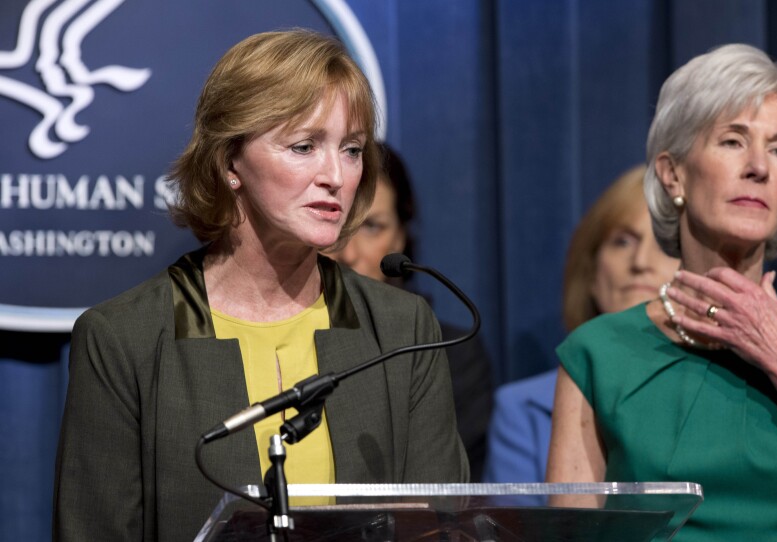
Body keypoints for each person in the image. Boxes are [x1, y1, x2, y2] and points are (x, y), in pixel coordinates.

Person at [53, 29, 468, 542]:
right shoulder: (124, 339)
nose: (336, 175)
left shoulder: (402, 328)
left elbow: (441, 529)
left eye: (352, 149)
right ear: (230, 161)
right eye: (304, 146)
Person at [547, 44, 777, 540]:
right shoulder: (598, 354)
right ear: (672, 173)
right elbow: (570, 536)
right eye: (732, 141)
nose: (759, 167)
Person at [482, 165, 679, 488]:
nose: (641, 261)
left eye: (665, 244)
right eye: (623, 241)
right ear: (590, 271)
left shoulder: (719, 396)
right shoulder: (521, 410)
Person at [329, 143, 495, 480]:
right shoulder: (280, 340)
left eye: (372, 226)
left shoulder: (451, 351)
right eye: (336, 222)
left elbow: (447, 496)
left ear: (401, 237)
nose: (349, 253)